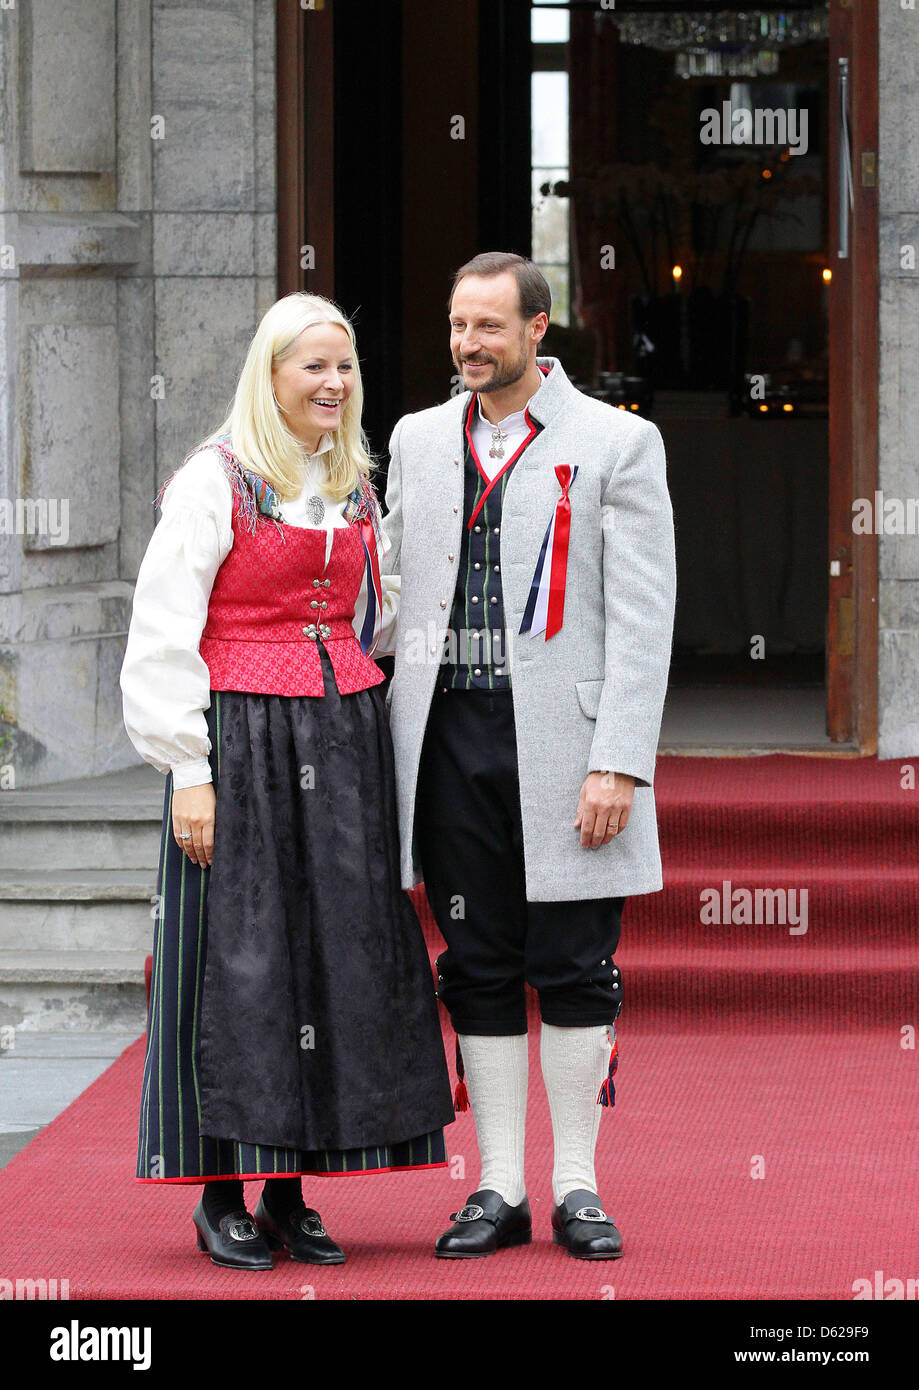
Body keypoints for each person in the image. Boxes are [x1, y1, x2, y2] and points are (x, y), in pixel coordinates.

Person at [121, 292, 455, 1271]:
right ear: (269, 377)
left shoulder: (352, 485)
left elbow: (380, 616)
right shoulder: (214, 482)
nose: (333, 383)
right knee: (242, 960)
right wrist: (188, 770)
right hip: (240, 745)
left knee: (329, 962)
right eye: (313, 366)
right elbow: (161, 631)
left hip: (340, 740)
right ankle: (221, 1187)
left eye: (344, 367)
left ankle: (291, 1189)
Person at [382, 252, 676, 1260]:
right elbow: (384, 584)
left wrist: (620, 761)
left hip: (568, 742)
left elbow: (644, 618)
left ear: (538, 329)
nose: (468, 345)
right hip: (447, 736)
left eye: (489, 329)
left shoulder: (619, 443)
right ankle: (498, 1185)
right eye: (459, 326)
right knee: (476, 960)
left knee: (576, 963)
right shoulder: (416, 440)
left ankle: (577, 1187)